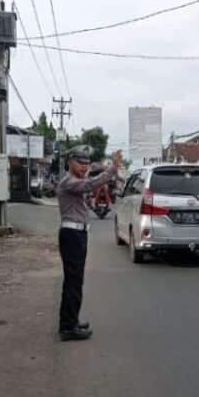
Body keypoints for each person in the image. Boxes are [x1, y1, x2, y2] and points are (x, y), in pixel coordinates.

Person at [57, 145, 122, 341]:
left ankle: (71, 320)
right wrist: (112, 168)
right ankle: (68, 327)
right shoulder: (69, 181)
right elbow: (90, 185)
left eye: (87, 163)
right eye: (80, 163)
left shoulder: (75, 180)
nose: (85, 166)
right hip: (72, 236)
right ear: (70, 163)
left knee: (75, 281)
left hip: (76, 235)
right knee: (73, 283)